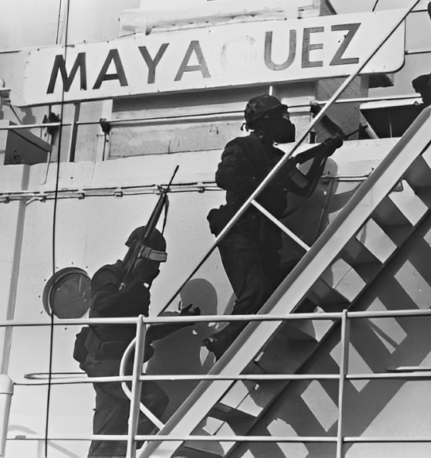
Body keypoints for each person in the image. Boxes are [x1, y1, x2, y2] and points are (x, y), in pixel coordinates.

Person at [203, 95, 343, 359]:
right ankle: (222, 343)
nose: (287, 122)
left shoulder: (275, 155)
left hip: (265, 233)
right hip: (239, 229)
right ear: (267, 120)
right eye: (282, 116)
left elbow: (302, 186)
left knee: (281, 280)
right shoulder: (241, 147)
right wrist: (263, 175)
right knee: (253, 294)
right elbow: (224, 178)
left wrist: (322, 152)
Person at [73, 227, 199, 457]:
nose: (158, 268)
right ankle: (124, 450)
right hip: (106, 366)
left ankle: (114, 451)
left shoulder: (137, 289)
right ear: (141, 254)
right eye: (156, 259)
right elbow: (102, 307)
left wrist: (180, 322)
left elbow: (142, 332)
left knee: (109, 427)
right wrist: (135, 284)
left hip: (122, 366)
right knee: (154, 399)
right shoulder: (110, 275)